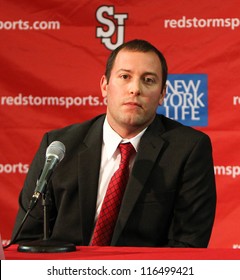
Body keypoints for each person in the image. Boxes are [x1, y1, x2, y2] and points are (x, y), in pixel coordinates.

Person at [12, 39, 216, 247]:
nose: (135, 89)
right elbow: (28, 239)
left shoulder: (188, 149)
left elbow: (187, 246)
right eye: (125, 76)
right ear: (104, 86)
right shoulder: (59, 147)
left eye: (148, 80)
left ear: (162, 94)